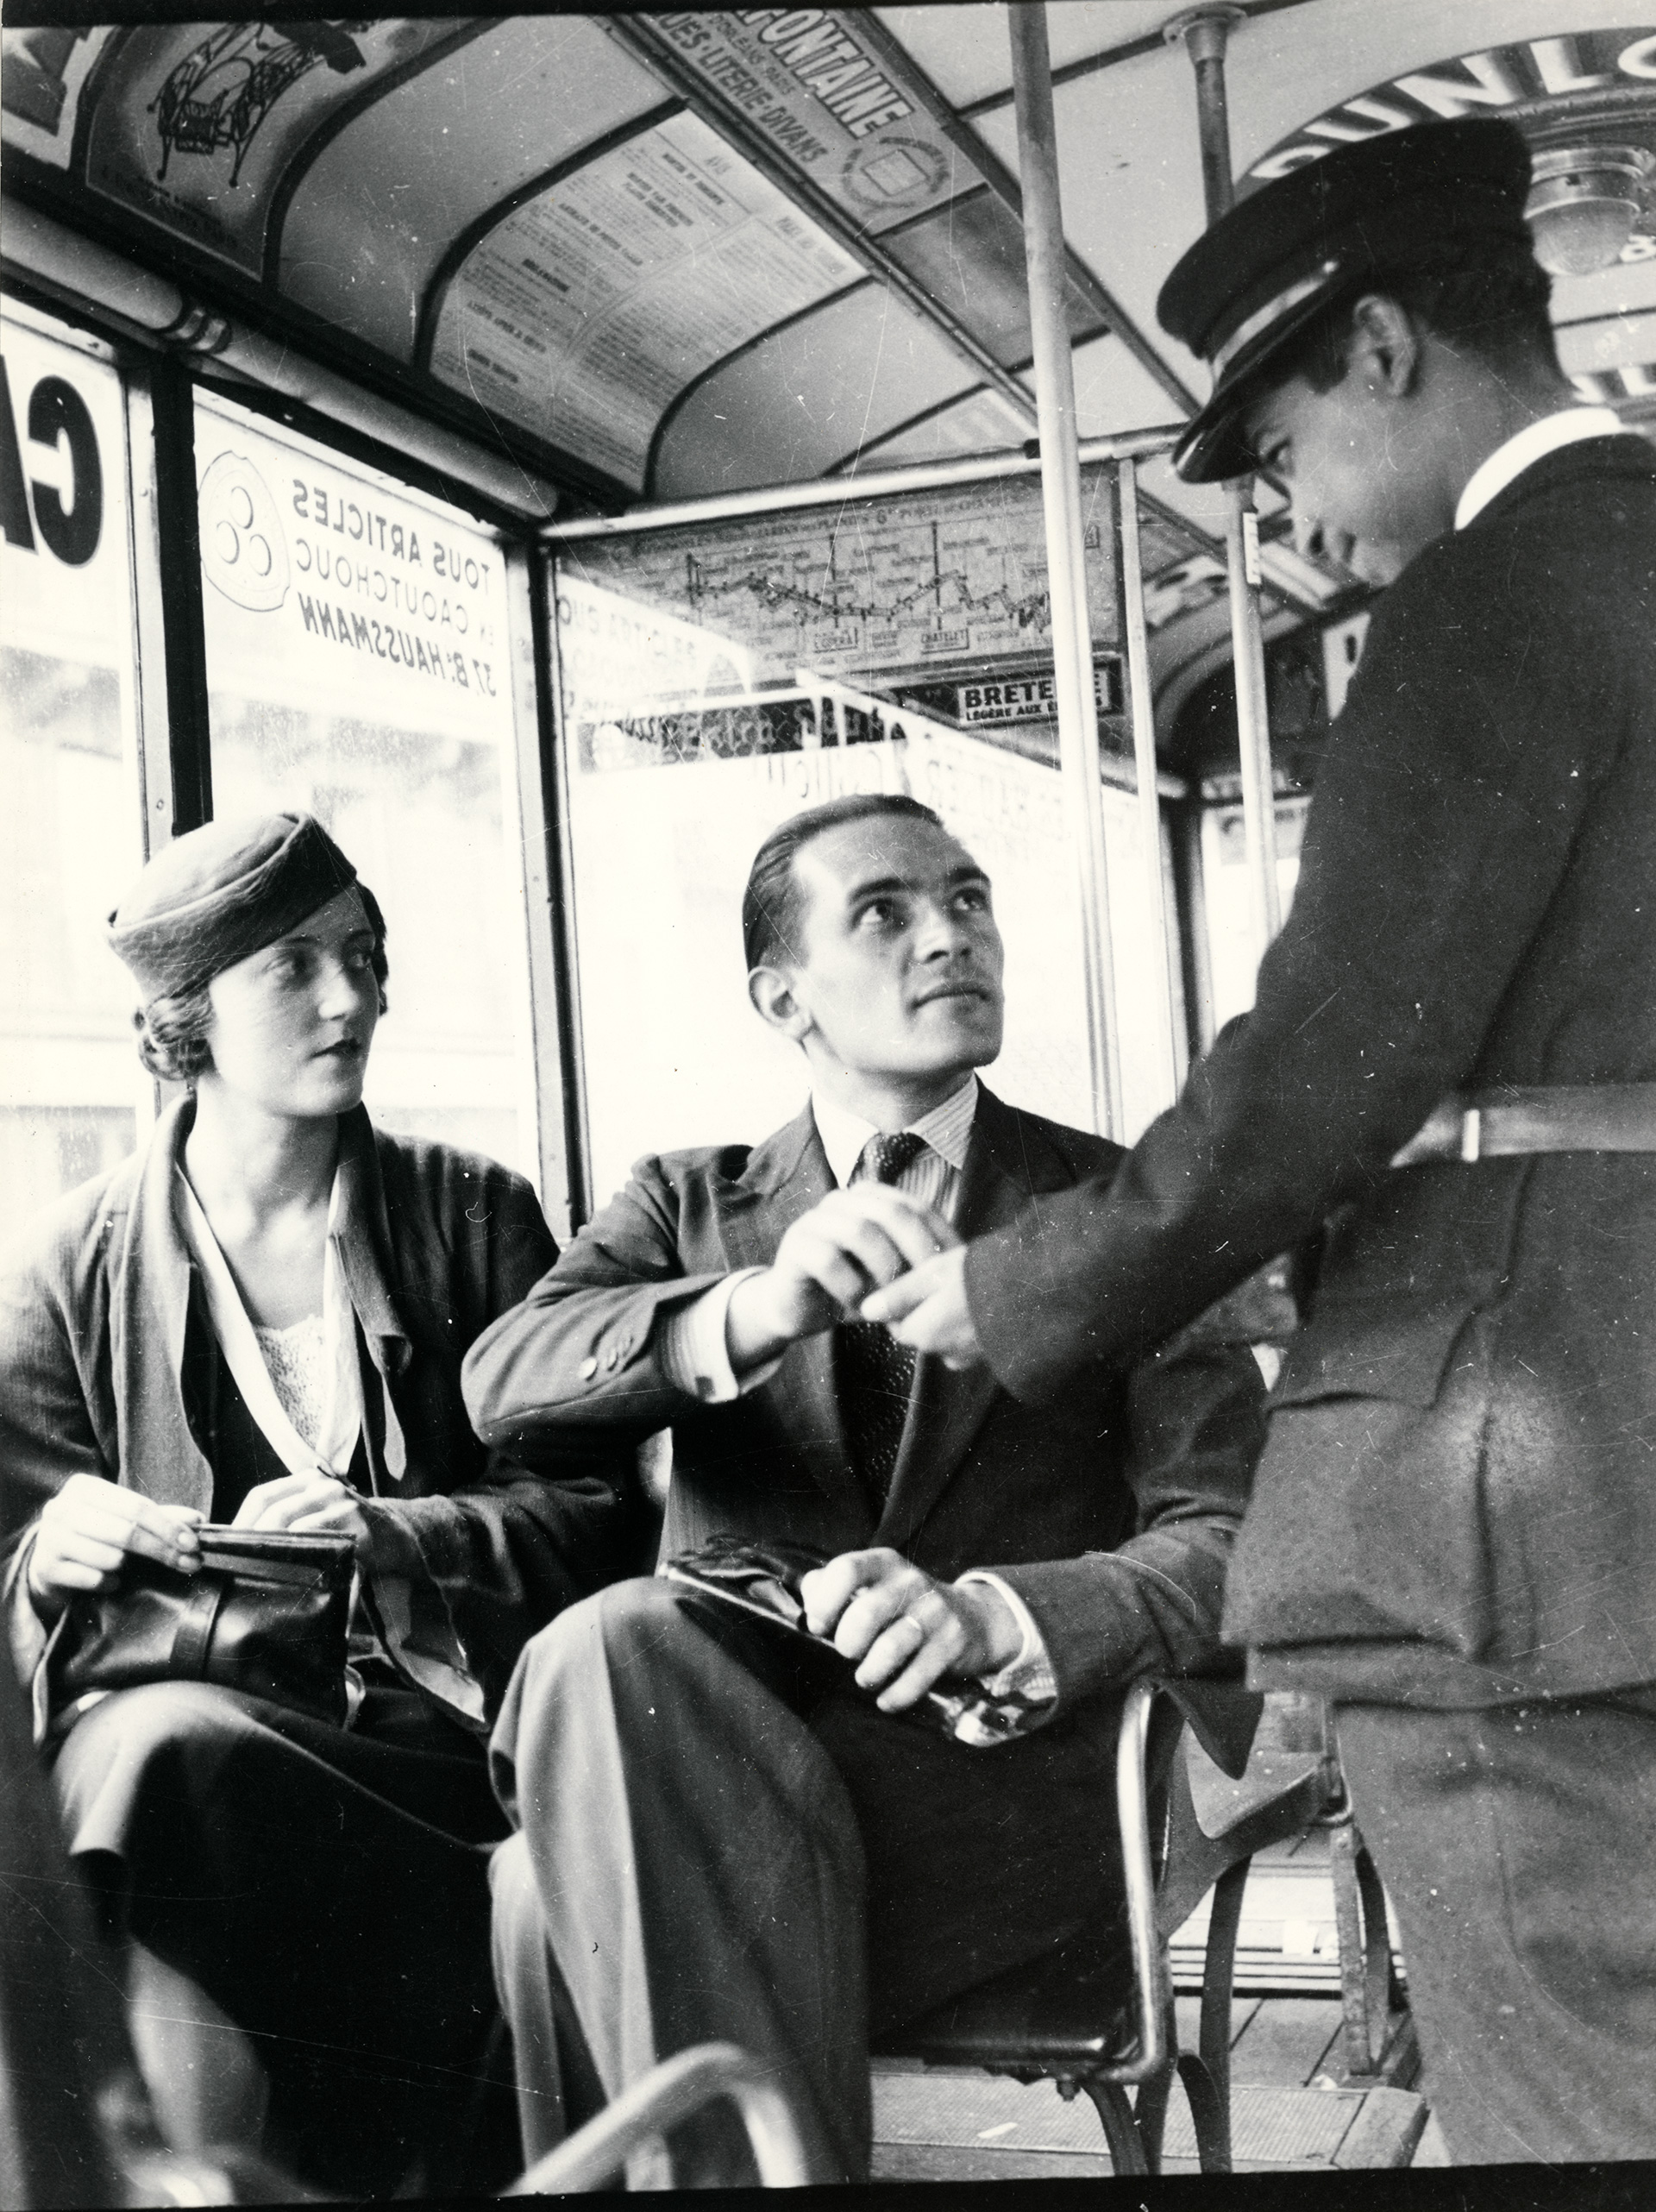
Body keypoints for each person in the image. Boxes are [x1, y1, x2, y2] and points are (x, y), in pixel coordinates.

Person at [866, 119, 1656, 2164]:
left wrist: (1021, 1278)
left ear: (1384, 348)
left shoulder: (1494, 598)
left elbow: (1329, 1061)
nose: (1295, 517)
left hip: (1523, 1514)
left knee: (1585, 2111)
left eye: (1286, 445)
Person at [462, 792, 1267, 2180]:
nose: (948, 937)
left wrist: (999, 1618)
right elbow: (507, 1383)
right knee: (612, 1695)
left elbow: (1229, 1537)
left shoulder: (1118, 1206)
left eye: (967, 900)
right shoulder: (686, 1206)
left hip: (985, 1816)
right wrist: (751, 1313)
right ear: (784, 997)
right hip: (708, 1784)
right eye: (883, 913)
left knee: (558, 1839)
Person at [0, 812, 655, 2195]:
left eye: (362, 957)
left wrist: (392, 1533)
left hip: (440, 1770)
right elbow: (9, 1556)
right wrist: (50, 1560)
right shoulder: (65, 1264)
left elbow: (598, 1513)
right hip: (201, 1755)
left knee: (151, 1775)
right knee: (153, 1757)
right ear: (185, 1023)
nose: (350, 999)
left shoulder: (475, 1213)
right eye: (292, 969)